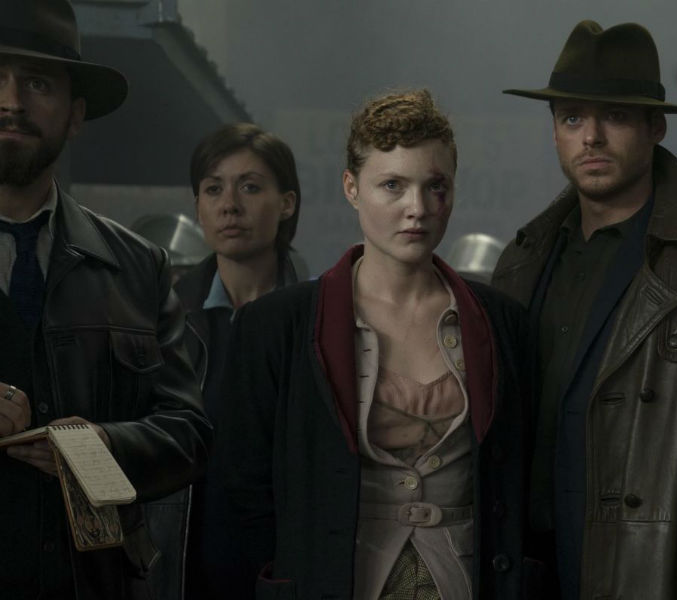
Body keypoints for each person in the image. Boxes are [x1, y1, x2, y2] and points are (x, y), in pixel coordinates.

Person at [494, 20, 677, 599]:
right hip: (527, 574)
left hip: (645, 577)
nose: (591, 137)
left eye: (616, 116)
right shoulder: (522, 260)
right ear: (554, 132)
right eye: (571, 118)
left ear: (656, 126)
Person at [209, 89, 535, 599]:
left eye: (435, 186)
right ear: (351, 188)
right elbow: (238, 498)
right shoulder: (276, 326)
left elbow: (524, 487)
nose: (417, 209)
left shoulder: (502, 323)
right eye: (392, 185)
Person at [0, 1, 212, 598]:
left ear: (75, 115)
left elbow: (189, 432)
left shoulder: (138, 267)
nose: (11, 101)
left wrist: (104, 447)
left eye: (37, 83)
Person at [151, 123, 304, 600]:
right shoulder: (161, 319)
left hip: (286, 566)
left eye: (250, 187)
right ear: (197, 205)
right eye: (213, 189)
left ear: (287, 203)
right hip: (183, 563)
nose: (229, 205)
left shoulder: (318, 320)